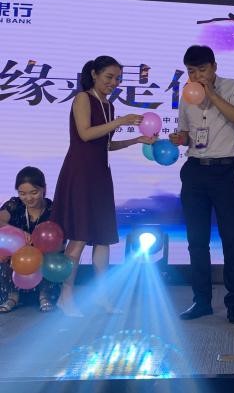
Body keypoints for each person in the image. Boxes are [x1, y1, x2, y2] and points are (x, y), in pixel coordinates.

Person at [51, 56, 154, 317]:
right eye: (109, 77)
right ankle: (65, 297)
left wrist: (135, 140)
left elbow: (106, 144)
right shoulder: (83, 98)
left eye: (118, 78)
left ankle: (102, 296)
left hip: (100, 174)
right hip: (80, 173)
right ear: (94, 74)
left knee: (103, 238)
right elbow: (85, 134)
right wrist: (120, 122)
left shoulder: (109, 105)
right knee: (78, 236)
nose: (114, 82)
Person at [170, 45, 234, 324]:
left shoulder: (233, 86)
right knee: (196, 240)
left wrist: (212, 94)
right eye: (191, 71)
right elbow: (186, 134)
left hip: (225, 171)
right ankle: (201, 301)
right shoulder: (186, 94)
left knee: (231, 238)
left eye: (202, 70)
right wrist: (179, 139)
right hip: (194, 170)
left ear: (214, 67)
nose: (197, 76)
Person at [0, 167, 59, 313]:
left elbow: (60, 242)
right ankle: (12, 296)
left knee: (52, 256)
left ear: (44, 189)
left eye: (34, 192)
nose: (28, 198)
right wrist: (18, 233)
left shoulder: (53, 209)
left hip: (42, 261)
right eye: (22, 193)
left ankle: (44, 295)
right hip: (16, 263)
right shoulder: (15, 205)